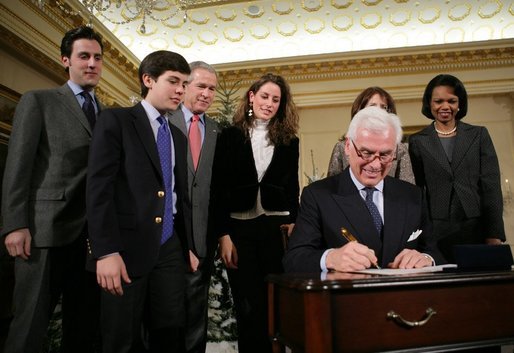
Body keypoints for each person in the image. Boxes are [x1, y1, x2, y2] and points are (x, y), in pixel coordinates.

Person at [1, 26, 103, 353]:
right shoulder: (39, 101)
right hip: (45, 231)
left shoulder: (108, 115)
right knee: (29, 324)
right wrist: (16, 224)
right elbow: (18, 167)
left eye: (97, 58)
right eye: (84, 56)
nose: (92, 64)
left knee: (84, 326)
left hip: (91, 239)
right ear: (66, 60)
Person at [86, 50, 192, 353]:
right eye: (173, 81)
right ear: (148, 79)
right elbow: (98, 189)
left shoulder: (177, 135)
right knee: (121, 339)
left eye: (184, 84)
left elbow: (177, 195)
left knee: (170, 335)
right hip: (124, 249)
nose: (180, 91)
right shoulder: (116, 120)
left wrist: (190, 246)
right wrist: (105, 251)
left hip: (170, 248)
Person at [284, 106, 444, 273]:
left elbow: (436, 253)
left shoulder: (413, 195)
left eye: (385, 155)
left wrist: (426, 259)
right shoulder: (318, 195)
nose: (375, 165)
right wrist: (331, 258)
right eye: (366, 153)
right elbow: (294, 259)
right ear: (347, 146)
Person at [210, 73, 300, 353]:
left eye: (276, 99)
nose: (270, 103)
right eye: (265, 96)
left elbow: (292, 185)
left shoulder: (289, 140)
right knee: (247, 305)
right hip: (239, 229)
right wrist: (223, 234)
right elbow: (218, 188)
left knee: (275, 304)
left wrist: (294, 222)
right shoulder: (229, 136)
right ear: (252, 96)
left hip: (275, 229)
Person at [409, 74, 505, 262]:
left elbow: (491, 187)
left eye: (451, 101)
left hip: (475, 226)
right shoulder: (417, 141)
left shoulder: (478, 135)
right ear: (429, 104)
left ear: (460, 104)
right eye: (438, 101)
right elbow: (417, 192)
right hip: (436, 230)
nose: (445, 106)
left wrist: (494, 233)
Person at [169, 61, 219, 353]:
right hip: (167, 236)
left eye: (212, 88)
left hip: (202, 238)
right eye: (201, 86)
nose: (207, 94)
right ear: (185, 86)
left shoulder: (215, 131)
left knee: (195, 318)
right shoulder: (164, 119)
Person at [327, 86, 415, 184]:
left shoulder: (400, 149)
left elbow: (407, 186)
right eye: (372, 106)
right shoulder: (341, 147)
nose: (378, 111)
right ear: (359, 111)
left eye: (383, 107)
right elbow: (333, 184)